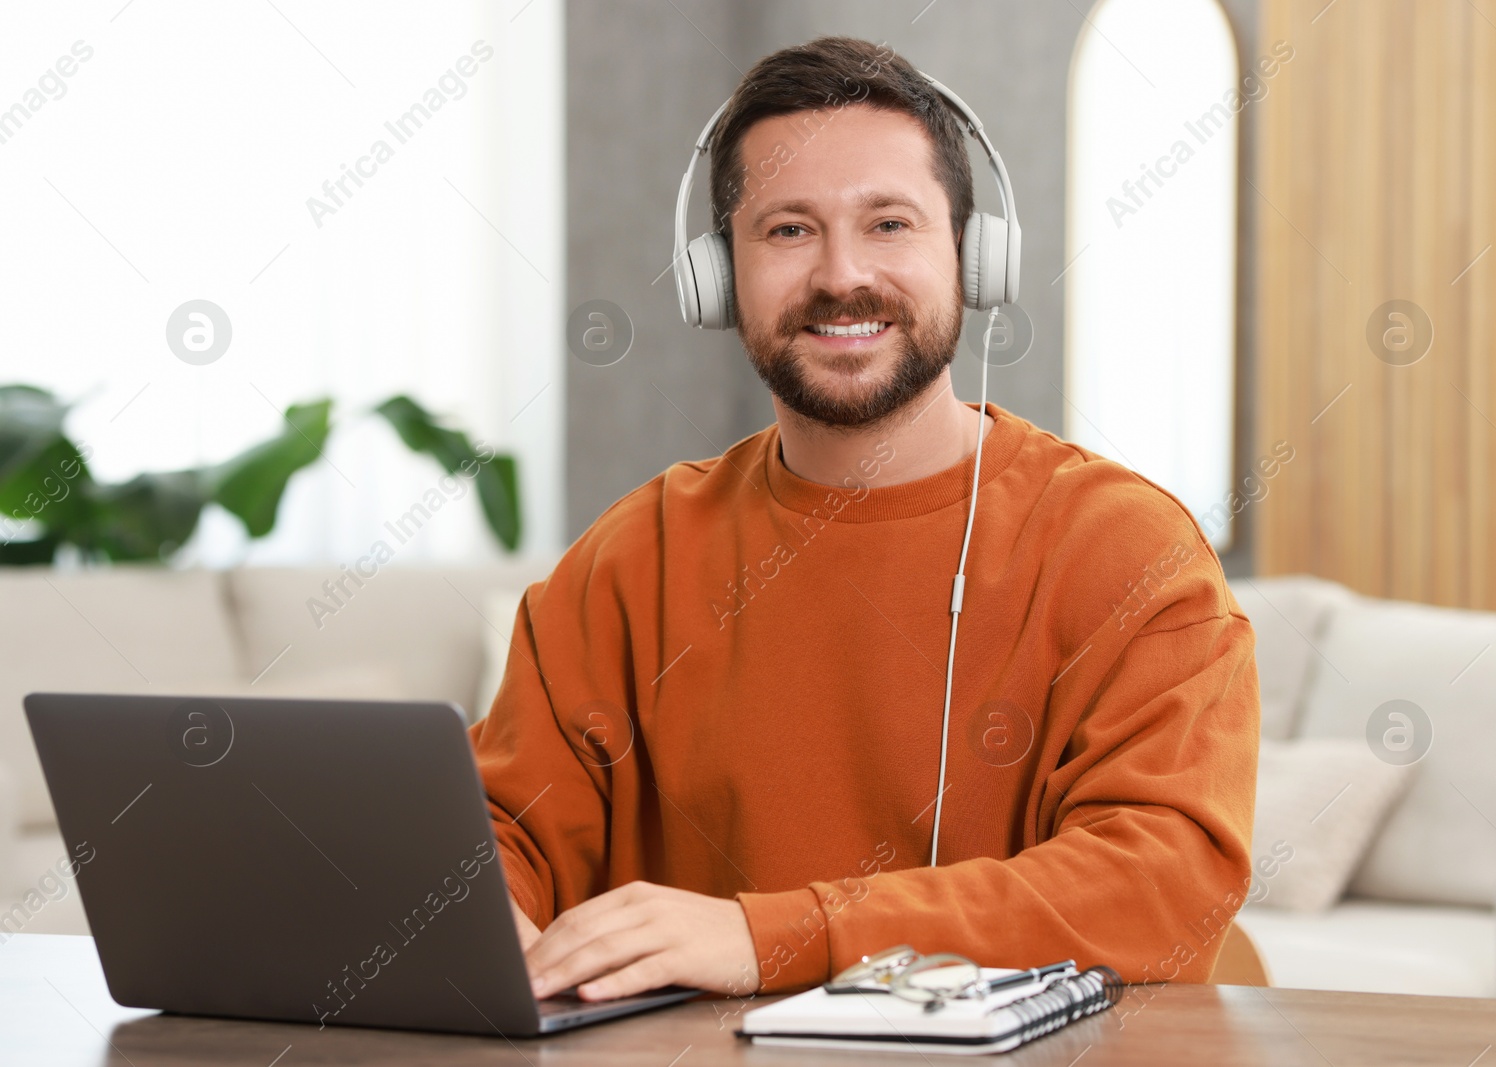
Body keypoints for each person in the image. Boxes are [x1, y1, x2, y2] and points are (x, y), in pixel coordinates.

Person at [470, 34, 1259, 1005]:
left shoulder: (1129, 550)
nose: (842, 275)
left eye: (889, 223)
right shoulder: (630, 559)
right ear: (716, 278)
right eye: (787, 230)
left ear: (974, 258)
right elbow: (496, 826)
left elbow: (1160, 881)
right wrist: (477, 915)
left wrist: (771, 934)